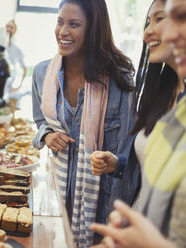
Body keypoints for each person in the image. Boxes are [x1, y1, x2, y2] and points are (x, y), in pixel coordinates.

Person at [31, 0, 136, 246]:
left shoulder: (119, 79)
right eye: (60, 22)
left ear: (93, 29)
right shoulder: (41, 74)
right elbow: (40, 121)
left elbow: (128, 153)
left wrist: (112, 162)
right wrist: (46, 135)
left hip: (101, 204)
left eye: (74, 24)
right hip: (56, 195)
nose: (63, 32)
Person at [91, 0, 186, 247]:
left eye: (161, 19)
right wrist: (119, 163)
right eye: (148, 22)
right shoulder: (168, 96)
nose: (149, 31)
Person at [3, 20, 28, 101]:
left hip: (9, 84)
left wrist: (18, 86)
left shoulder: (17, 49)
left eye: (11, 27)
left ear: (14, 31)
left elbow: (25, 69)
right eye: (7, 26)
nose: (8, 29)